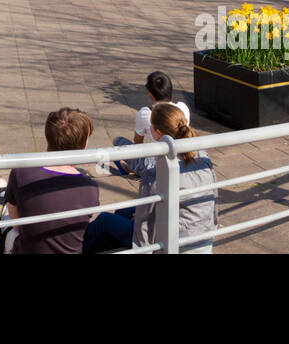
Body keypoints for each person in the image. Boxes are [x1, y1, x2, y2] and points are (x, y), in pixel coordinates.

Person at [85, 103, 215, 254]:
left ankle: (78, 248)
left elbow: (144, 226)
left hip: (171, 243)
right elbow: (213, 199)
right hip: (202, 237)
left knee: (104, 220)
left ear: (157, 133)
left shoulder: (155, 169)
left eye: (150, 125)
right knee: (123, 211)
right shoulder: (202, 157)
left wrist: (142, 248)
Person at [4, 108, 99, 255]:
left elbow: (15, 224)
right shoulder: (90, 188)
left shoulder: (21, 173)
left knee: (2, 216)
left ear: (48, 136)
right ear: (83, 145)